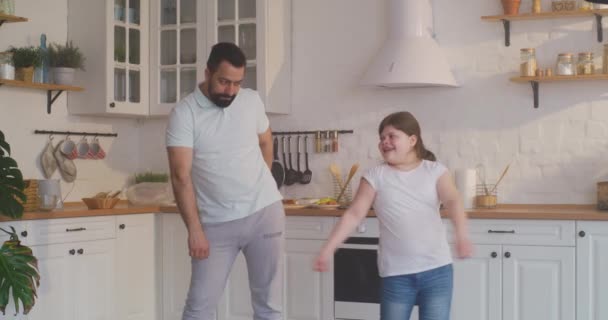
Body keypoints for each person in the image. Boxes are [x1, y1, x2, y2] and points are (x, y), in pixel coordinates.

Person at [313, 111, 473, 320]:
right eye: (381, 138)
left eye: (391, 136)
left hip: (437, 271)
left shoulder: (435, 171)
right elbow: (354, 214)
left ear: (412, 140)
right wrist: (327, 249)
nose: (384, 142)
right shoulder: (375, 176)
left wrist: (461, 236)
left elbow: (453, 200)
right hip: (396, 275)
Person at [166, 42, 284, 320]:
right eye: (224, 81)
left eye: (237, 83)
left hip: (264, 214)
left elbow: (266, 140)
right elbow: (180, 175)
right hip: (216, 224)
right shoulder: (185, 113)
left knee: (269, 305)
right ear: (207, 73)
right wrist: (194, 229)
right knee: (199, 307)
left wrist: (263, 181)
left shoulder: (251, 100)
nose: (230, 91)